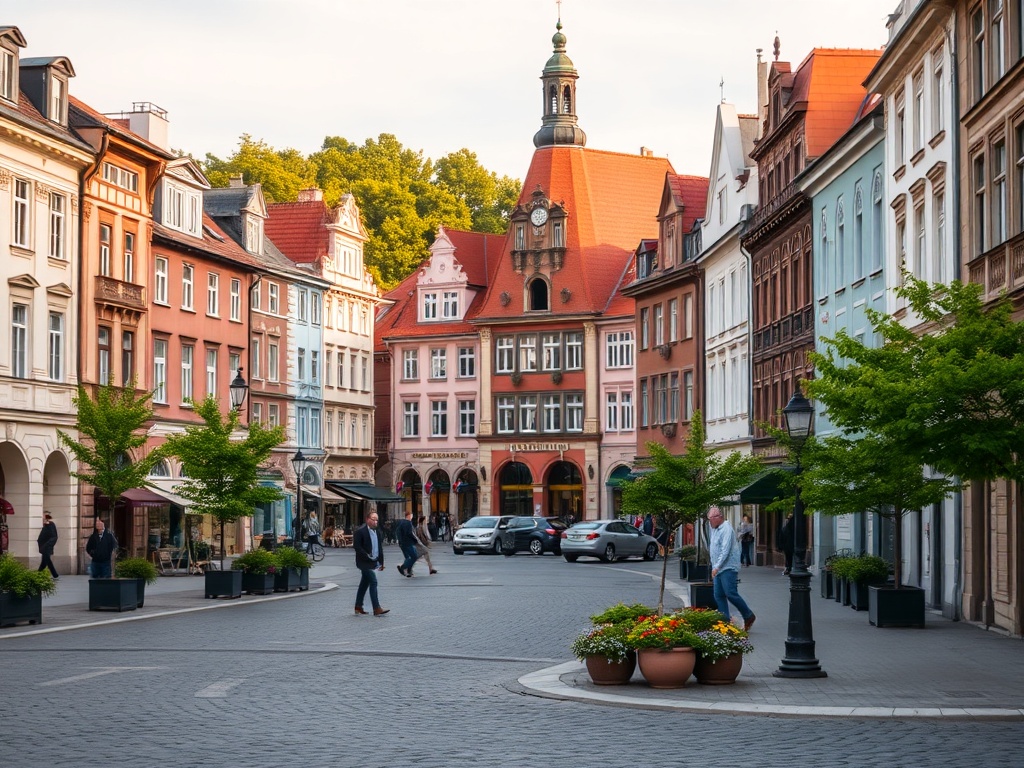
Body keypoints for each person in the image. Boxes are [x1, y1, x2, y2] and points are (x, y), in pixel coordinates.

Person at [708, 506, 756, 631]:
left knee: (730, 593)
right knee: (718, 595)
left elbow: (725, 550)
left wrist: (716, 567)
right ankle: (725, 622)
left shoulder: (726, 529)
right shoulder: (715, 529)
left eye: (711, 519)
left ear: (718, 518)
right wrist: (714, 566)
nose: (709, 522)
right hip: (718, 567)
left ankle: (748, 615)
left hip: (727, 567)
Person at [353, 512, 389, 616]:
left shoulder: (377, 532)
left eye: (377, 519)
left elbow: (379, 548)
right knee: (373, 582)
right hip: (364, 562)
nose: (375, 521)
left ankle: (358, 606)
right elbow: (357, 547)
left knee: (364, 584)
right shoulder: (360, 531)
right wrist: (367, 556)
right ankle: (376, 608)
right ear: (367, 519)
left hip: (374, 561)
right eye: (373, 519)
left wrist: (381, 562)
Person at [395, 511, 419, 577]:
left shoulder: (401, 522)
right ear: (408, 515)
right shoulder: (408, 523)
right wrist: (415, 539)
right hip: (408, 543)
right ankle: (403, 567)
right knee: (414, 556)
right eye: (411, 515)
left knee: (408, 557)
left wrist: (399, 541)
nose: (412, 516)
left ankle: (408, 571)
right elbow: (409, 533)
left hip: (402, 543)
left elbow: (397, 531)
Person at [37, 512, 59, 578]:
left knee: (47, 561)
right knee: (45, 561)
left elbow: (54, 536)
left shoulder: (50, 525)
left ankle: (39, 573)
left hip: (46, 547)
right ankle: (54, 574)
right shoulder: (46, 526)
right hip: (44, 546)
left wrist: (47, 544)